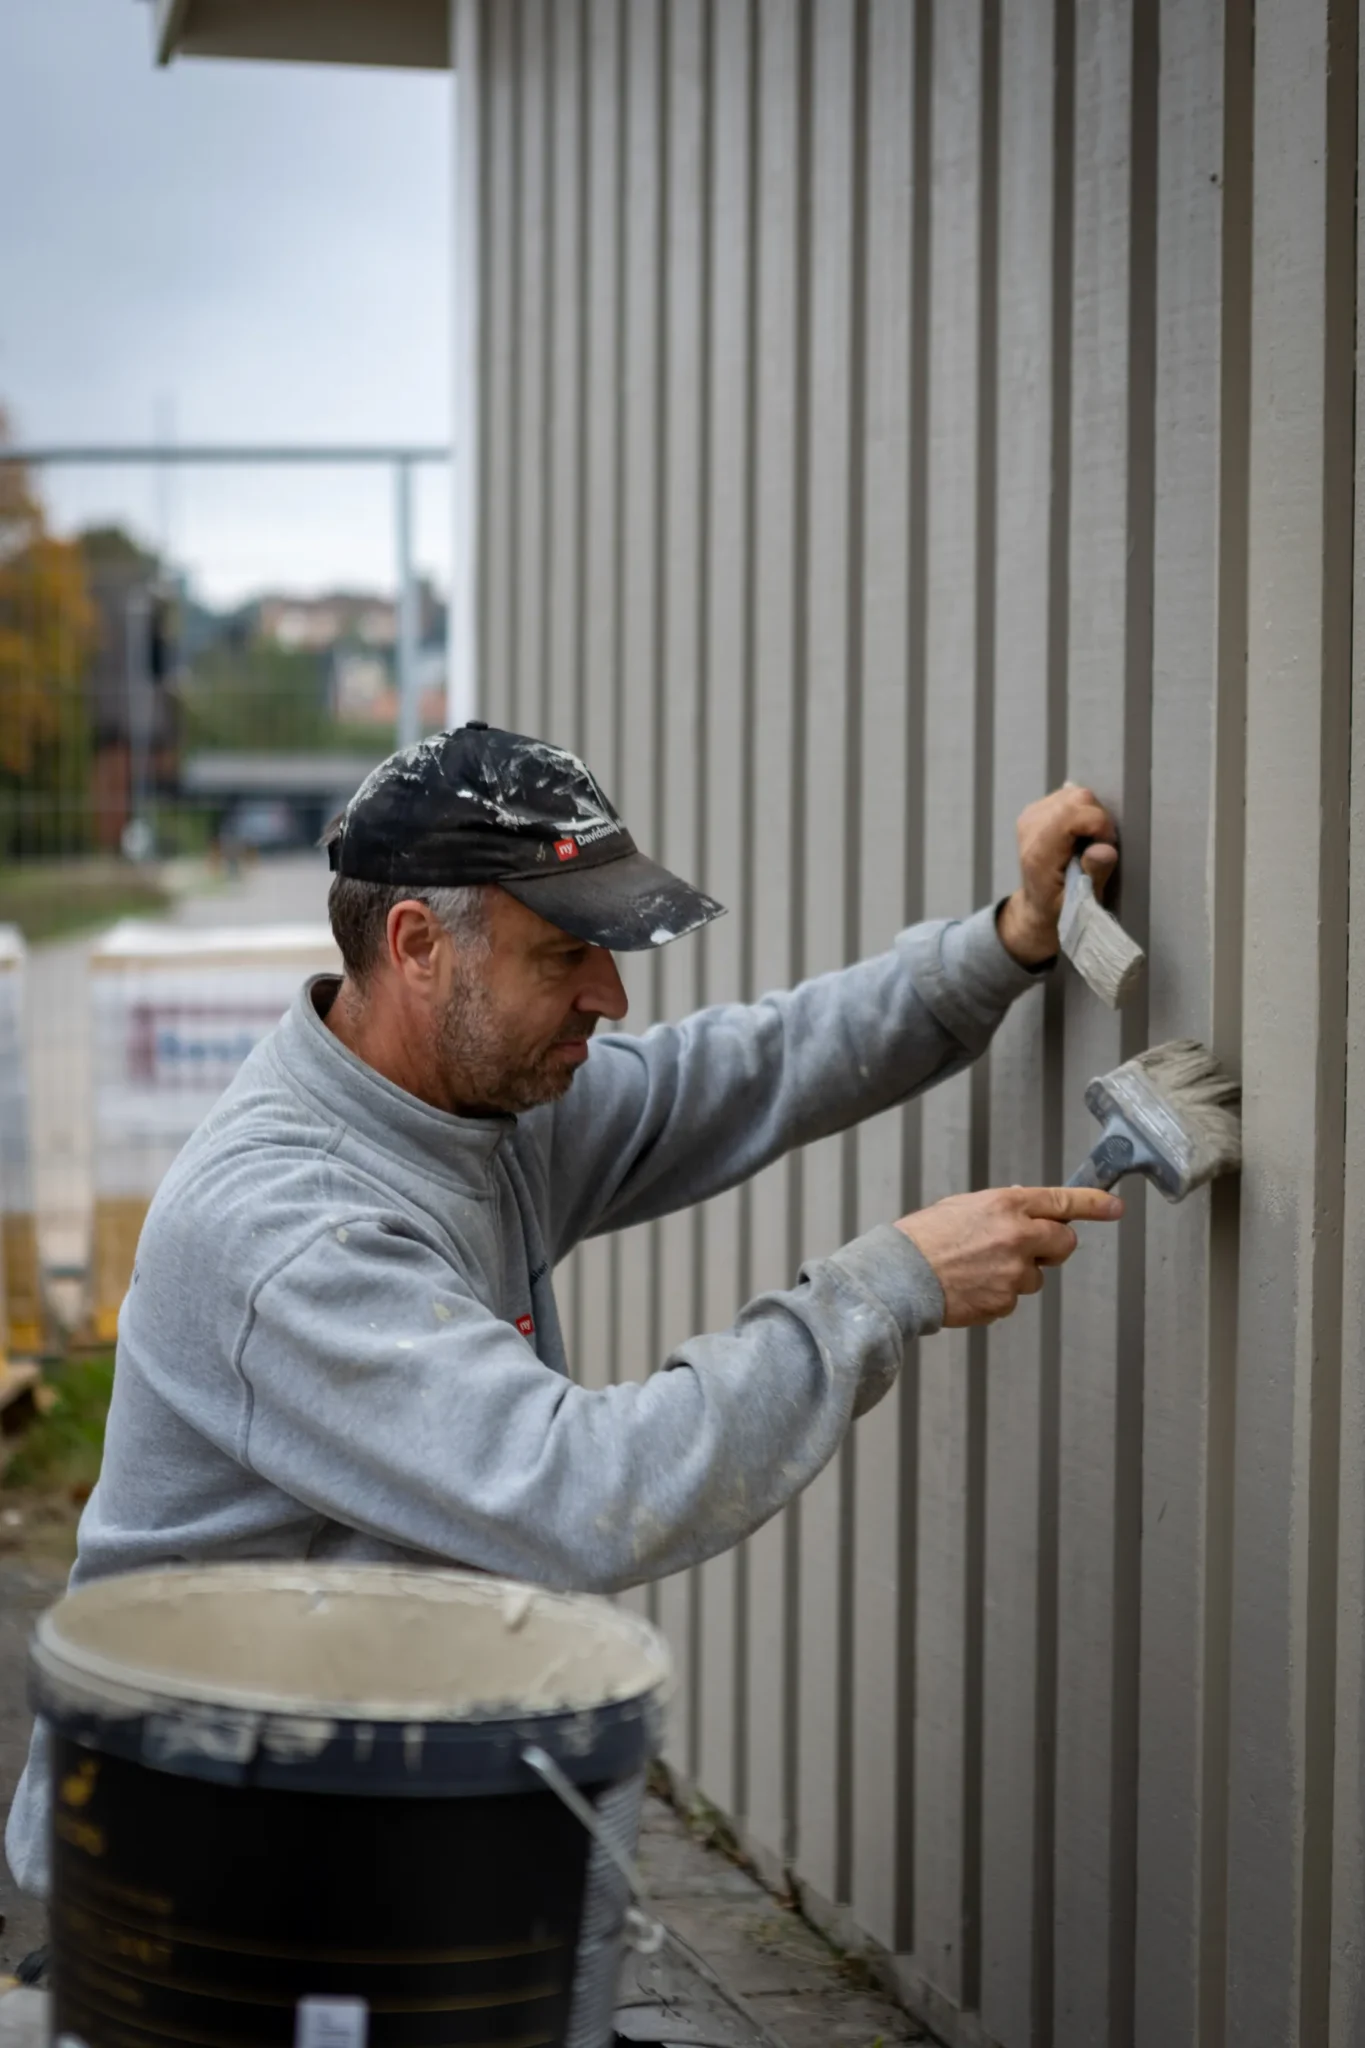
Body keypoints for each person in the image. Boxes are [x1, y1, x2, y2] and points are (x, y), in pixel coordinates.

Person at [5, 723, 1121, 1912]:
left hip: (345, 1816)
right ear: (420, 945)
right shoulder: (290, 1230)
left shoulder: (475, 1105)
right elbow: (576, 1493)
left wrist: (1006, 942)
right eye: (565, 953)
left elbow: (742, 1070)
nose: (612, 992)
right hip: (189, 1890)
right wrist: (886, 1282)